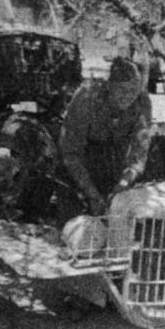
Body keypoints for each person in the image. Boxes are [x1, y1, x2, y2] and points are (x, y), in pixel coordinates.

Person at [58, 57, 152, 219]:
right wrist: (92, 194)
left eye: (134, 90)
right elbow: (70, 154)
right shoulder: (86, 97)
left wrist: (123, 184)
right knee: (77, 222)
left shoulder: (142, 101)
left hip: (115, 163)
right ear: (110, 85)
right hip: (80, 166)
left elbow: (139, 154)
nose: (128, 96)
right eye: (122, 90)